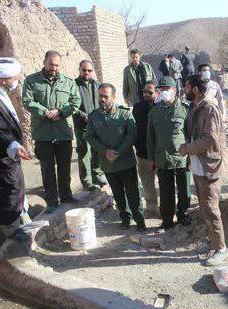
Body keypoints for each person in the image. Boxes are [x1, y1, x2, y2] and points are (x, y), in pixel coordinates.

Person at [0, 57, 46, 241]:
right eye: (15, 78)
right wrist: (13, 146)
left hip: (7, 156)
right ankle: (11, 232)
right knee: (8, 191)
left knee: (15, 188)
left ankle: (21, 220)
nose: (17, 81)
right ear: (4, 79)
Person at [22, 50, 81, 214]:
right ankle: (52, 200)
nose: (54, 68)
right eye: (51, 64)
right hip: (43, 135)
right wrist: (45, 112)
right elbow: (27, 101)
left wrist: (60, 112)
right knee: (47, 169)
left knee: (64, 168)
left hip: (63, 133)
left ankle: (66, 195)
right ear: (44, 62)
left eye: (56, 65)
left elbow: (75, 102)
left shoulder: (68, 82)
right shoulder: (31, 81)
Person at [178, 75, 228, 266]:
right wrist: (187, 147)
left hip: (210, 166)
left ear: (196, 90)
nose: (185, 90)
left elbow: (209, 140)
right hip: (198, 165)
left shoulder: (209, 109)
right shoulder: (195, 107)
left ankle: (221, 248)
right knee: (204, 207)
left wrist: (187, 148)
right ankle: (213, 241)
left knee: (211, 208)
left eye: (187, 87)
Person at [85, 83, 146, 231]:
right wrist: (106, 151)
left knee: (133, 192)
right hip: (108, 163)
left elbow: (131, 135)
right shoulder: (94, 117)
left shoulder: (124, 114)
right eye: (100, 96)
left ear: (113, 97)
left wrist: (117, 152)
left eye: (106, 96)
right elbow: (90, 137)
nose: (102, 99)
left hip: (125, 161)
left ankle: (139, 220)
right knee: (118, 193)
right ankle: (125, 218)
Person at [147, 76, 191, 230]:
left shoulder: (185, 109)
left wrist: (191, 156)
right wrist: (151, 158)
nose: (164, 91)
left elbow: (190, 135)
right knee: (166, 192)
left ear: (175, 90)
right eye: (162, 89)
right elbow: (150, 138)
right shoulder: (154, 112)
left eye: (167, 89)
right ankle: (167, 221)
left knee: (184, 190)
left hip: (181, 159)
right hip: (162, 158)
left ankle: (183, 216)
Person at [74, 59, 107, 191]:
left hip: (96, 123)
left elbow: (102, 102)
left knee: (97, 150)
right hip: (82, 124)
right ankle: (86, 180)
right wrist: (85, 116)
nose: (86, 73)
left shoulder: (97, 85)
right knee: (84, 153)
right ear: (79, 70)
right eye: (84, 70)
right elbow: (72, 106)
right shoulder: (74, 85)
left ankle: (96, 174)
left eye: (89, 70)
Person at [132, 80, 159, 213]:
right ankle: (152, 206)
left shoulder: (162, 106)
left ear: (157, 93)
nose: (146, 94)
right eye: (144, 92)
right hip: (143, 152)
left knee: (165, 182)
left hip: (160, 152)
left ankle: (166, 208)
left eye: (150, 92)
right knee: (147, 182)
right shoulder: (137, 107)